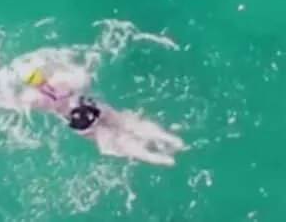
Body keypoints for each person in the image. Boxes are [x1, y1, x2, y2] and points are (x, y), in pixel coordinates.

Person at [21, 68, 186, 166]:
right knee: (127, 123)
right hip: (91, 109)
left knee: (120, 139)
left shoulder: (40, 97)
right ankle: (166, 141)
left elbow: (23, 101)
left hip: (85, 119)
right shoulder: (61, 82)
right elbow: (83, 79)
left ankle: (157, 155)